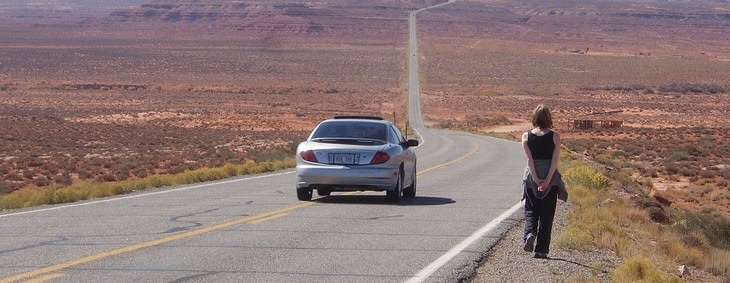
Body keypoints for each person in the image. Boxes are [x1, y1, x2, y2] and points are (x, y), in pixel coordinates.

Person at [521, 104, 566, 259]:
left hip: (531, 179)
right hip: (550, 179)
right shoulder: (555, 136)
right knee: (547, 214)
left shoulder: (526, 136)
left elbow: (529, 160)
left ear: (535, 118)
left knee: (531, 210)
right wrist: (547, 180)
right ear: (549, 118)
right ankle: (541, 250)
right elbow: (555, 160)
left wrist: (535, 178)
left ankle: (529, 234)